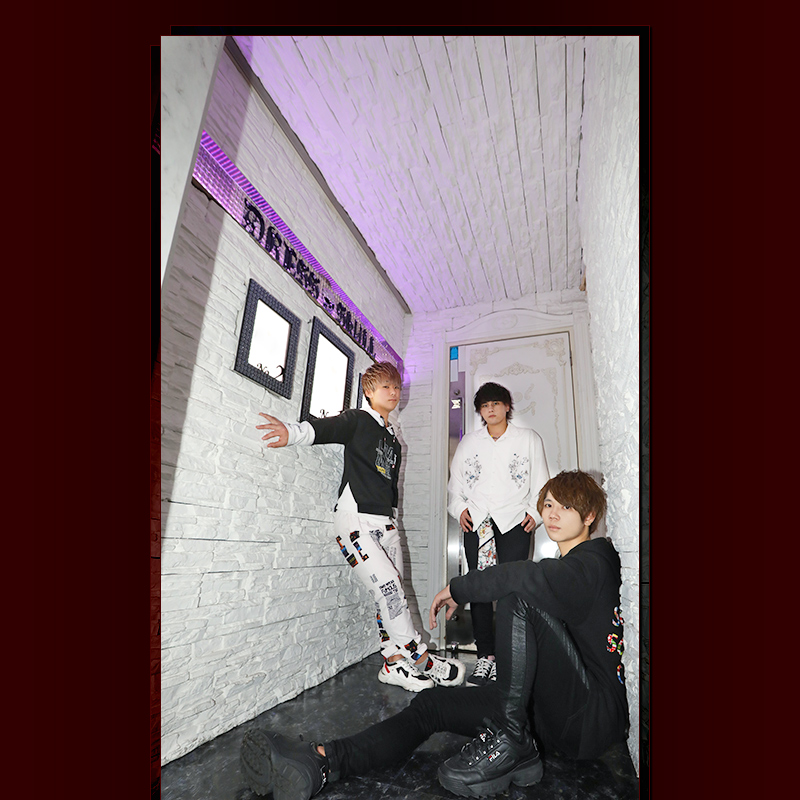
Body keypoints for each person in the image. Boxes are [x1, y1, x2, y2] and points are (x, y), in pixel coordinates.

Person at [240, 470, 630, 800]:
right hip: (550, 714)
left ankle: (511, 739)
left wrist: (459, 589)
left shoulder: (597, 560)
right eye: (548, 504)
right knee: (432, 704)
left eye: (566, 507)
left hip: (589, 718)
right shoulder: (566, 569)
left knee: (520, 595)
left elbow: (525, 578)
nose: (553, 514)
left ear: (590, 515)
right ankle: (324, 762)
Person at [256, 361, 465, 693]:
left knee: (391, 594)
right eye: (386, 387)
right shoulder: (358, 420)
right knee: (390, 590)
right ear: (369, 391)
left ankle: (393, 662)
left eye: (397, 387)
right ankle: (422, 659)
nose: (394, 393)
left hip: (386, 523)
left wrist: (392, 518)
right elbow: (324, 429)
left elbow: (388, 485)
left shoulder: (393, 438)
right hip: (355, 521)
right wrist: (291, 433)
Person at [447, 381, 550, 686]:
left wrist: (535, 515)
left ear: (507, 406)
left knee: (511, 591)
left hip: (514, 523)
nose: (490, 409)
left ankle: (508, 657)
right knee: (478, 589)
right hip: (477, 524)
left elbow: (542, 483)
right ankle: (485, 657)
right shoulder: (469, 443)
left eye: (495, 403)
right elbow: (455, 486)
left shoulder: (528, 439)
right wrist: (459, 509)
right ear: (480, 411)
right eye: (484, 405)